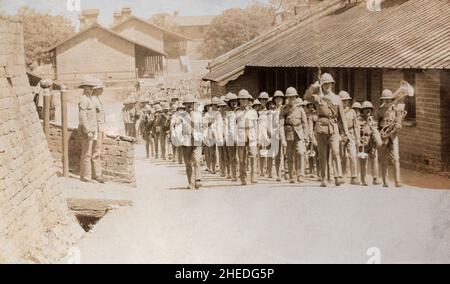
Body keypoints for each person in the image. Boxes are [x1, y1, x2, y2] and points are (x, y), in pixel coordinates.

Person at [304, 73, 349, 187]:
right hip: (321, 127)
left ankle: (337, 176)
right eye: (325, 84)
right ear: (322, 85)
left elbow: (342, 117)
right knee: (323, 155)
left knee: (335, 152)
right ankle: (324, 178)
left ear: (332, 84)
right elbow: (306, 97)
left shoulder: (337, 98)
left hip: (333, 127)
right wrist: (314, 87)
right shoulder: (318, 97)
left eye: (329, 83)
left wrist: (346, 132)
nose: (327, 85)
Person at [279, 87, 309, 183]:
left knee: (300, 152)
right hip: (288, 133)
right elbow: (280, 125)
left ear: (296, 98)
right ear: (287, 98)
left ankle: (300, 174)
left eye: (293, 97)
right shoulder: (284, 110)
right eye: (289, 97)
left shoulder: (300, 109)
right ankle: (292, 175)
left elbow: (305, 123)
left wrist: (306, 136)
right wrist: (283, 139)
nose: (291, 99)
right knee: (289, 154)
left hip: (299, 133)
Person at [377, 89, 403, 188]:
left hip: (393, 136)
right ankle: (385, 181)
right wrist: (380, 132)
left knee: (396, 158)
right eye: (385, 100)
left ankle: (397, 180)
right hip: (383, 136)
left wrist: (397, 125)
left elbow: (400, 124)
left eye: (389, 100)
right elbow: (376, 122)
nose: (387, 102)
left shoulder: (397, 110)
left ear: (392, 99)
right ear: (383, 100)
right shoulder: (380, 110)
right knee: (384, 160)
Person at [78, 76, 99, 183]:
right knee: (87, 154)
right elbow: (82, 117)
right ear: (85, 87)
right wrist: (88, 130)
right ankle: (86, 177)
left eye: (92, 87)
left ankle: (87, 176)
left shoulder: (89, 99)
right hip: (87, 131)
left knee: (89, 153)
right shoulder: (84, 99)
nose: (92, 89)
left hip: (92, 130)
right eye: (90, 87)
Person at [179, 94, 203, 189]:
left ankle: (198, 180)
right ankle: (190, 182)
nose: (189, 106)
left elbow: (203, 127)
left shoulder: (199, 115)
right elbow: (177, 129)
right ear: (184, 105)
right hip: (186, 141)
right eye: (187, 104)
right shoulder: (181, 116)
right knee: (188, 162)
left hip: (197, 141)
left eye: (191, 103)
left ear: (194, 104)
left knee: (197, 160)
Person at [235, 89, 258, 185]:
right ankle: (243, 178)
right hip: (240, 135)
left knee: (253, 155)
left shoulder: (253, 111)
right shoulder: (236, 112)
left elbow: (257, 125)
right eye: (242, 99)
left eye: (246, 99)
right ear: (239, 100)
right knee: (241, 158)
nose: (244, 101)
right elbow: (233, 126)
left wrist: (258, 137)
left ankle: (253, 176)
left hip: (251, 135)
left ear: (248, 100)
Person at [358, 101, 382, 186]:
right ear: (362, 110)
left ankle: (375, 178)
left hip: (371, 142)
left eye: (369, 109)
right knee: (363, 161)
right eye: (366, 109)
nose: (368, 111)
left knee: (375, 159)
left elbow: (375, 129)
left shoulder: (372, 120)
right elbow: (360, 130)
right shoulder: (359, 120)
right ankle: (363, 179)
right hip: (363, 142)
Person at [339, 91, 360, 185]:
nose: (345, 102)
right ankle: (343, 175)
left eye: (347, 100)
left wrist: (358, 138)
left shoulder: (352, 112)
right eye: (343, 101)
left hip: (351, 134)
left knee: (353, 155)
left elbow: (356, 126)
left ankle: (354, 176)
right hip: (341, 134)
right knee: (343, 156)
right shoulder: (337, 112)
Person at [225, 92, 239, 181]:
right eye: (232, 102)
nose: (234, 103)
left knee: (240, 156)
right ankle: (234, 174)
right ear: (229, 103)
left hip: (239, 137)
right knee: (232, 157)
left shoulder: (240, 111)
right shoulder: (227, 114)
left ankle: (240, 173)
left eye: (235, 101)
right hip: (230, 137)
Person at [305, 100, 319, 178]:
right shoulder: (306, 114)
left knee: (317, 153)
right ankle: (311, 170)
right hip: (308, 134)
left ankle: (318, 170)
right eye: (309, 105)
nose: (311, 106)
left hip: (316, 134)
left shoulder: (316, 114)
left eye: (312, 104)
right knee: (310, 153)